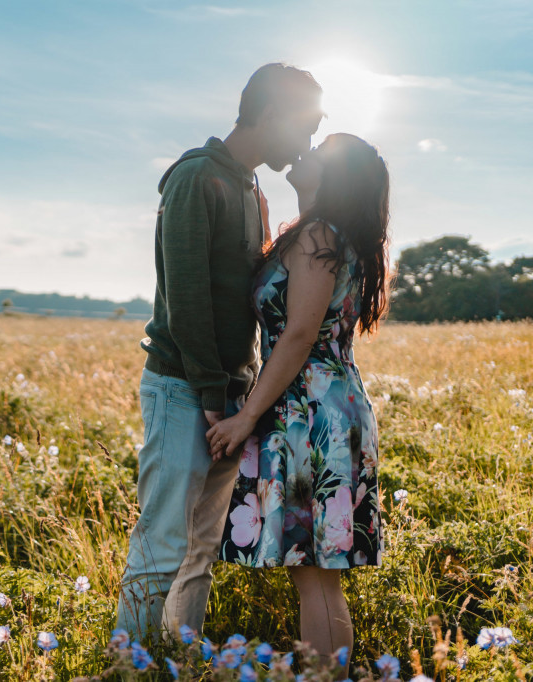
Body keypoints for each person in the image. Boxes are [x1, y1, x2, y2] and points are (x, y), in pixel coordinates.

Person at [116, 63, 323, 642]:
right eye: (304, 127)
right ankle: (128, 667)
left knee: (202, 547)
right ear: (271, 114)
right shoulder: (196, 176)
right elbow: (185, 299)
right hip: (186, 388)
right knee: (164, 542)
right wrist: (212, 394)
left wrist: (240, 394)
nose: (304, 143)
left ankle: (174, 656)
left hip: (230, 394)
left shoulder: (252, 187)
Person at [206, 133, 390, 674]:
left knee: (316, 578)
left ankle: (322, 677)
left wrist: (246, 417)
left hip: (310, 414)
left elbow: (298, 332)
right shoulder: (313, 235)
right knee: (315, 574)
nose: (305, 151)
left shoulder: (318, 236)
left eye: (320, 151)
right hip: (322, 406)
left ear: (335, 176)